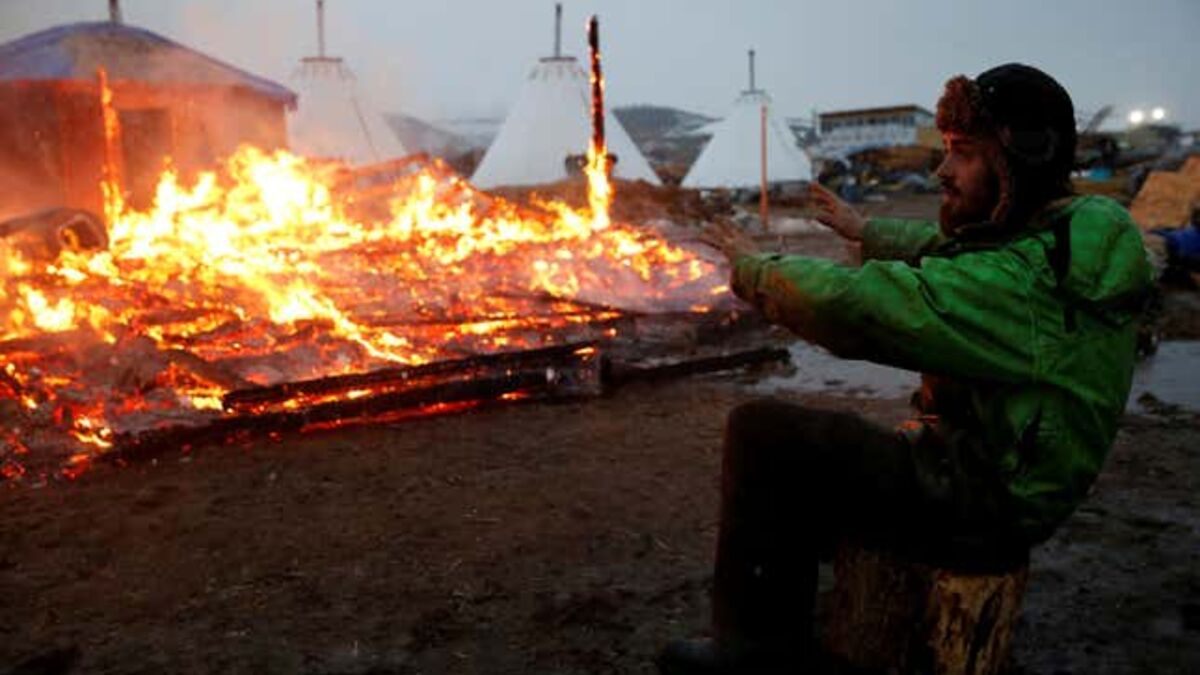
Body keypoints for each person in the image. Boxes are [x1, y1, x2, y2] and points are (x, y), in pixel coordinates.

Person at [658, 63, 1154, 674]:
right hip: (997, 471)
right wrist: (869, 230)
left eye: (963, 153)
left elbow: (868, 308)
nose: (942, 171)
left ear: (1015, 162)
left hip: (987, 500)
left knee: (764, 434)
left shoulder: (1027, 287)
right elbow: (958, 253)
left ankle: (756, 654)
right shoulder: (1062, 240)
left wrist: (757, 269)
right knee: (832, 450)